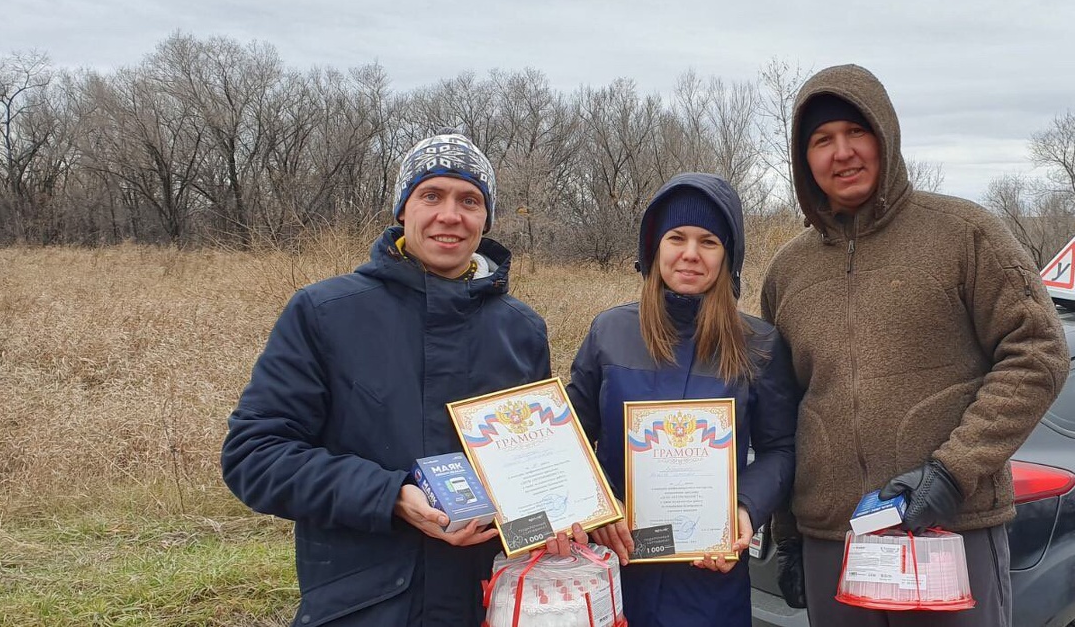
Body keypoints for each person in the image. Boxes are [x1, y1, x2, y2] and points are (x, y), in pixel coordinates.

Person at [760, 65, 1070, 627]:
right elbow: (783, 410)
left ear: (886, 136)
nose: (842, 153)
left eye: (857, 132)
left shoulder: (964, 234)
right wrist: (790, 536)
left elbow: (1038, 353)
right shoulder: (788, 271)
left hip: (947, 530)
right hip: (835, 541)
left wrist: (951, 473)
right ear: (804, 159)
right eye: (821, 141)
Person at [222, 128, 552, 627]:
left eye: (470, 200)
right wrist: (390, 495)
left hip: (482, 600)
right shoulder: (325, 312)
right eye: (431, 195)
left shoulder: (520, 330)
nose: (450, 215)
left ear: (486, 218)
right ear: (403, 209)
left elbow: (536, 465)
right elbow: (254, 456)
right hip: (365, 604)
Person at [565, 172, 800, 627]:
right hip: (613, 571)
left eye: (708, 241)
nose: (690, 254)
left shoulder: (760, 344)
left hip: (710, 576)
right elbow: (571, 440)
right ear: (654, 248)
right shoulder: (609, 332)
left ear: (727, 256)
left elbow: (781, 448)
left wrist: (745, 508)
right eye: (677, 237)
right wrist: (600, 510)